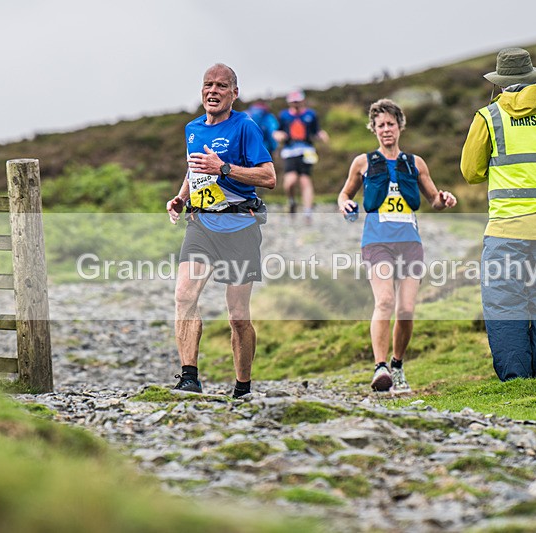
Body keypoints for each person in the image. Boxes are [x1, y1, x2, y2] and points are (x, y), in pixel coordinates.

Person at [460, 47, 536, 382]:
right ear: (532, 78)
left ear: (501, 83)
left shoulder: (489, 117)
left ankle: (516, 380)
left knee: (505, 304)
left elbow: (470, 171)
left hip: (505, 231)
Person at [166, 63, 276, 397]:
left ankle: (243, 386)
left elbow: (269, 177)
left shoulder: (245, 127)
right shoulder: (192, 128)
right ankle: (189, 377)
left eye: (221, 86)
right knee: (184, 295)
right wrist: (182, 197)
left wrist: (224, 167)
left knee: (238, 314)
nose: (213, 91)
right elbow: (193, 168)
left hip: (240, 227)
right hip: (201, 225)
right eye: (208, 85)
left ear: (234, 93)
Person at [338, 98, 457, 392]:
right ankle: (380, 368)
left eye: (391, 124)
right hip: (377, 242)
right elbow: (344, 195)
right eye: (380, 125)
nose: (386, 129)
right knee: (385, 301)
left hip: (410, 244)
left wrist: (444, 199)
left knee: (405, 309)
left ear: (400, 126)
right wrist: (346, 204)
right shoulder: (362, 162)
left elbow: (434, 201)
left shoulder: (415, 163)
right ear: (374, 129)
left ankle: (398, 364)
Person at [273, 90, 329, 220]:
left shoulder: (311, 115)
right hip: (290, 151)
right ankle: (292, 201)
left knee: (305, 180)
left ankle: (308, 211)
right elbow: (277, 131)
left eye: (297, 102)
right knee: (290, 181)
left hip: (307, 150)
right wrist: (278, 136)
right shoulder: (284, 115)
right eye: (293, 102)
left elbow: (316, 131)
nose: (295, 104)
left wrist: (322, 135)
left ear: (302, 101)